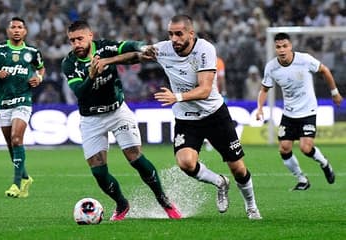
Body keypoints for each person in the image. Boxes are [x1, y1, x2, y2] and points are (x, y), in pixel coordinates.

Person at [140, 15, 261, 220]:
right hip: (187, 119)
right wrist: (109, 59)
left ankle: (251, 206)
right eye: (170, 34)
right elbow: (135, 55)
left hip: (214, 114)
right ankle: (219, 182)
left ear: (190, 33)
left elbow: (204, 90)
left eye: (179, 33)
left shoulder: (205, 49)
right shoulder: (164, 49)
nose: (174, 38)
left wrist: (176, 96)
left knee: (238, 168)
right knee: (186, 162)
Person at [61, 20, 181, 221]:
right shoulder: (69, 63)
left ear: (90, 36)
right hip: (91, 119)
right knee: (99, 173)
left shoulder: (105, 47)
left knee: (135, 157)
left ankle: (164, 201)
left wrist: (142, 47)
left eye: (80, 39)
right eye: (72, 40)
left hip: (117, 112)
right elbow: (80, 92)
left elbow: (128, 46)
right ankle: (122, 204)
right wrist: (90, 76)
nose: (76, 44)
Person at [256, 32, 343, 190]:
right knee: (284, 148)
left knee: (306, 148)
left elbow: (325, 71)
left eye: (285, 46)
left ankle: (324, 163)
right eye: (278, 47)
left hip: (308, 111)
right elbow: (264, 89)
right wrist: (260, 108)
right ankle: (302, 180)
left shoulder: (304, 60)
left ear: (291, 46)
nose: (282, 50)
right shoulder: (271, 67)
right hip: (289, 113)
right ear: (275, 48)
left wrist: (335, 93)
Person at [0, 17, 45, 197]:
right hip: (3, 103)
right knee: (11, 145)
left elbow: (41, 69)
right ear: (8, 31)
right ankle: (25, 178)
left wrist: (38, 78)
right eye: (13, 27)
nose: (16, 30)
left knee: (17, 139)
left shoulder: (32, 51)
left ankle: (16, 184)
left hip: (23, 101)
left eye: (20, 27)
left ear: (25, 31)